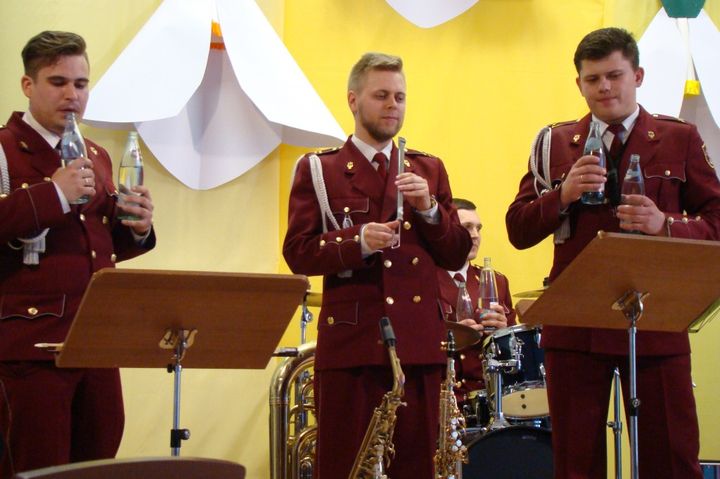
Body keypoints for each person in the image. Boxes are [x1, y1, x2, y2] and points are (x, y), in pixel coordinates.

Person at [506, 27, 720, 479]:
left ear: (637, 76)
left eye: (614, 75)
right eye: (592, 79)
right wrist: (562, 195)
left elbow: (717, 221)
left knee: (673, 459)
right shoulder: (553, 143)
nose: (604, 87)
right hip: (575, 324)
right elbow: (517, 229)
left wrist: (666, 225)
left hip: (656, 318)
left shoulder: (678, 138)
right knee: (576, 463)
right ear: (579, 84)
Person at [283, 52, 470, 478]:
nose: (392, 105)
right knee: (347, 467)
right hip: (355, 343)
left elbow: (457, 253)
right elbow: (297, 251)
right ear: (353, 100)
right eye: (381, 95)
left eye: (400, 97)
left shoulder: (428, 168)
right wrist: (357, 241)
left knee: (416, 468)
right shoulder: (321, 168)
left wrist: (430, 210)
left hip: (418, 344)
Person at [0, 31, 156, 477]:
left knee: (98, 465)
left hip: (96, 341)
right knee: (37, 467)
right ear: (28, 85)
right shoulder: (4, 149)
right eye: (58, 82)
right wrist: (53, 194)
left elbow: (95, 242)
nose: (72, 95)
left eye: (81, 84)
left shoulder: (96, 154)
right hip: (30, 348)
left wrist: (139, 228)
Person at [436, 198, 515, 404]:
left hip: (490, 396)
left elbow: (517, 350)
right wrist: (451, 337)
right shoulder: (423, 281)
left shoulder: (496, 281)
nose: (475, 235)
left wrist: (504, 332)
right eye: (467, 227)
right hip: (444, 396)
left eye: (478, 228)